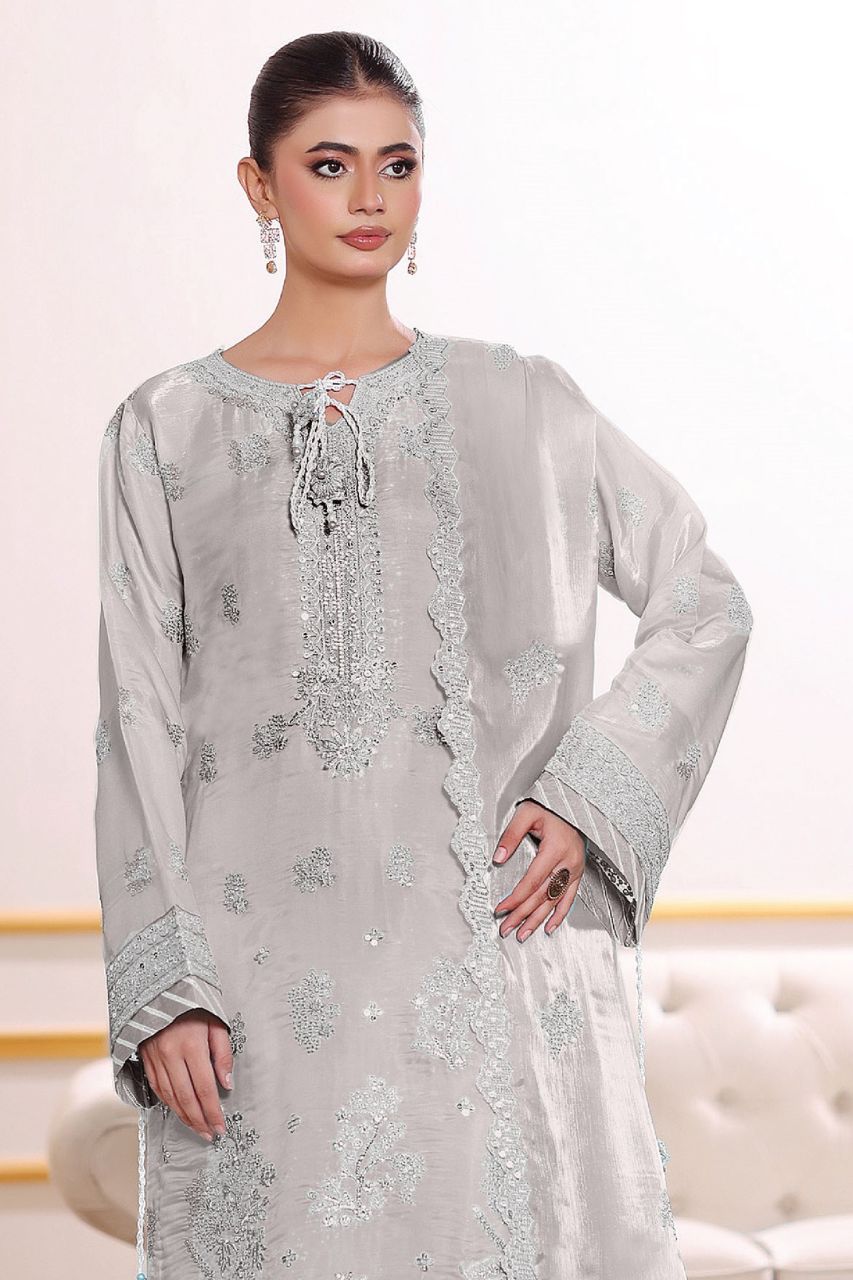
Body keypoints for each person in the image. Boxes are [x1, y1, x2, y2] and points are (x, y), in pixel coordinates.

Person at [93, 29, 753, 1280]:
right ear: (257, 184)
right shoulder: (164, 431)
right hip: (258, 993)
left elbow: (704, 600)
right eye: (328, 164)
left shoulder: (526, 404)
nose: (369, 198)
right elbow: (135, 714)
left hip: (488, 981)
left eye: (396, 165)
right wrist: (166, 982)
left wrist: (586, 797)